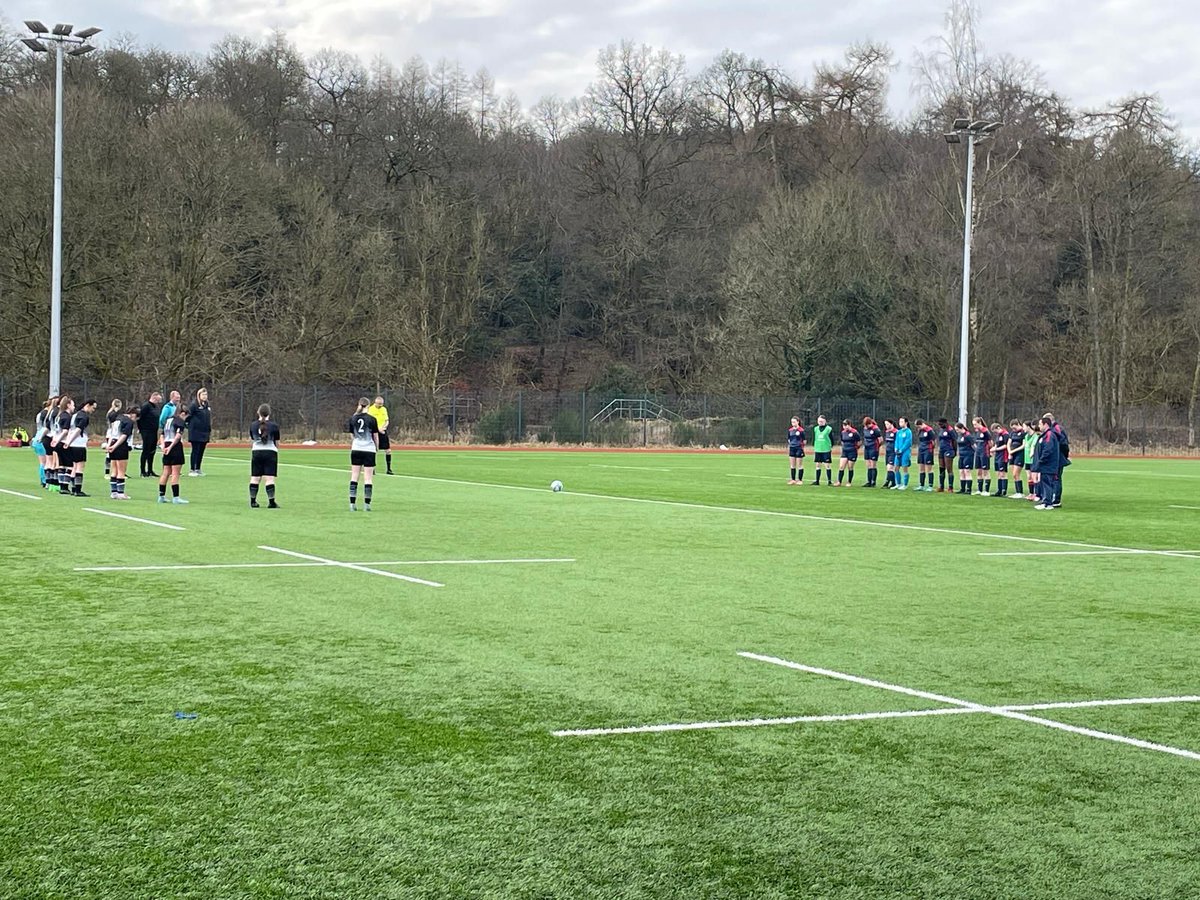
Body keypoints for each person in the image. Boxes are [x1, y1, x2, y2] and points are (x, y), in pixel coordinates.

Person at [61, 399, 97, 497]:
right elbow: (78, 430)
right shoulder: (84, 416)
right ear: (88, 405)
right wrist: (69, 441)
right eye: (93, 408)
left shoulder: (75, 415)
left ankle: (73, 488)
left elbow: (70, 429)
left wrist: (68, 441)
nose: (93, 410)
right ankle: (77, 489)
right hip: (78, 444)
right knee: (80, 467)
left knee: (74, 467)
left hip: (72, 444)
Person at [348, 397, 379, 511]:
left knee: (354, 476)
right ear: (369, 406)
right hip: (369, 450)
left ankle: (352, 504)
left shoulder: (353, 418)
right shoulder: (372, 419)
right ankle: (367, 505)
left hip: (356, 449)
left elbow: (352, 435)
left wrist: (356, 443)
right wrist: (377, 448)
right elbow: (375, 436)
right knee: (368, 478)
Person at [249, 403, 281, 509]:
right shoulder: (274, 426)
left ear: (258, 412)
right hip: (270, 452)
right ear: (269, 413)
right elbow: (277, 442)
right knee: (269, 478)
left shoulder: (253, 425)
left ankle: (253, 501)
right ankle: (271, 502)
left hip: (256, 452)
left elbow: (252, 440)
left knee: (255, 478)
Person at [158, 405, 190, 504]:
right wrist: (171, 447)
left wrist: (163, 446)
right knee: (175, 473)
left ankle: (161, 496)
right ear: (183, 413)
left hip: (166, 444)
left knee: (166, 472)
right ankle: (176, 497)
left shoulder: (168, 420)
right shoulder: (180, 421)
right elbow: (177, 436)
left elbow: (162, 435)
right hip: (174, 447)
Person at [105, 406, 136, 499]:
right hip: (120, 446)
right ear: (133, 414)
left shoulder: (118, 419)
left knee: (114, 470)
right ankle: (121, 493)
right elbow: (124, 436)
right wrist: (115, 446)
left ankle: (114, 492)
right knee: (121, 471)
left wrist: (109, 445)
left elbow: (112, 434)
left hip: (113, 443)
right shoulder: (128, 421)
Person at [1032, 416, 1060, 510]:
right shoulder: (1045, 435)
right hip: (1046, 465)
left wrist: (1041, 460)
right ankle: (1046, 501)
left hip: (1048, 465)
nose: (1039, 426)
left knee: (1047, 483)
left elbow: (1048, 449)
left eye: (1040, 424)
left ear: (1045, 424)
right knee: (1045, 483)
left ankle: (1047, 503)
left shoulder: (1049, 435)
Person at [1044, 412, 1070, 508]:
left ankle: (1056, 500)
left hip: (1058, 458)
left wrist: (1064, 455)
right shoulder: (1053, 429)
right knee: (1054, 478)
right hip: (1056, 457)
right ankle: (1051, 498)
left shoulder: (1057, 429)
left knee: (1056, 479)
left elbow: (1064, 444)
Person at [50, 396, 75, 495]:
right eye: (73, 405)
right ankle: (64, 486)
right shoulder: (67, 416)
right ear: (68, 405)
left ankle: (61, 486)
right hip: (63, 442)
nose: (74, 407)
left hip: (57, 441)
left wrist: (55, 440)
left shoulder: (59, 415)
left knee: (61, 464)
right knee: (69, 465)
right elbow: (65, 431)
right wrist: (59, 440)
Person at [366, 395, 394, 475]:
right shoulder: (370, 409)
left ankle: (389, 469)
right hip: (374, 432)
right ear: (375, 402)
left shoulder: (384, 409)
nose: (380, 406)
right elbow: (370, 422)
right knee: (374, 450)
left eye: (381, 404)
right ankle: (372, 468)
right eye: (379, 404)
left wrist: (383, 428)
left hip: (383, 431)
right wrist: (378, 429)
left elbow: (387, 420)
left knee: (388, 450)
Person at [32, 396, 56, 489]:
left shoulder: (41, 413)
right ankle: (45, 480)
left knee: (43, 462)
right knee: (45, 462)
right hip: (41, 438)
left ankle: (43, 480)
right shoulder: (46, 413)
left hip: (37, 437)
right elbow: (46, 427)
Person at [137, 391, 162, 477]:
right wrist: (141, 429)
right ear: (154, 397)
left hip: (154, 431)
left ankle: (150, 470)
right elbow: (139, 418)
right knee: (146, 450)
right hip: (146, 431)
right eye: (158, 400)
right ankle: (143, 471)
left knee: (152, 451)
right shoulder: (146, 406)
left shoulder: (156, 407)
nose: (159, 402)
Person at [188, 388, 212, 477]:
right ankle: (192, 469)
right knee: (195, 450)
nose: (205, 396)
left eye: (206, 395)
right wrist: (191, 426)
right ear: (199, 395)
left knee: (201, 451)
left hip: (204, 432)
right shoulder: (194, 405)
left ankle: (198, 468)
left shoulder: (207, 405)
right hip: (195, 432)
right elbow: (188, 417)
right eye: (203, 395)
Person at [810, 415, 834, 486]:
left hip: (826, 449)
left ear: (825, 421)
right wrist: (814, 445)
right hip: (818, 449)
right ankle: (817, 481)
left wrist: (830, 446)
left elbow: (831, 439)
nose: (820, 422)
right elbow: (814, 438)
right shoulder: (815, 428)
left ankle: (829, 481)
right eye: (819, 421)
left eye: (821, 421)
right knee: (818, 465)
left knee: (827, 465)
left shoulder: (829, 429)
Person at [971, 416, 992, 496]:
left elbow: (990, 443)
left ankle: (986, 491)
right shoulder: (977, 431)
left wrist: (990, 451)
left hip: (984, 452)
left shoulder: (985, 431)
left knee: (985, 471)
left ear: (979, 423)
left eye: (975, 424)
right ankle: (979, 490)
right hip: (978, 453)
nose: (974, 426)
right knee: (978, 471)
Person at [836, 419, 861, 486]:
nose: (844, 427)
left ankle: (849, 482)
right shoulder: (843, 432)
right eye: (843, 425)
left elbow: (859, 442)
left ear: (849, 425)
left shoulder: (854, 432)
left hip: (852, 451)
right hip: (845, 451)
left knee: (850, 467)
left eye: (846, 425)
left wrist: (855, 448)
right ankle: (839, 482)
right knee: (841, 466)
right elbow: (842, 441)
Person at [103, 399, 123, 477]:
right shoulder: (113, 413)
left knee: (112, 453)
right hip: (112, 434)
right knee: (110, 453)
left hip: (111, 433)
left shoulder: (111, 412)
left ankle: (116, 471)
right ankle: (108, 472)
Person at [936, 418, 957, 493]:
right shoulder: (941, 430)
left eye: (941, 424)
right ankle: (941, 486)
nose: (940, 426)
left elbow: (954, 441)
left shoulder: (950, 430)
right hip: (941, 450)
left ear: (945, 423)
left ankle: (950, 487)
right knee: (941, 468)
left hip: (949, 450)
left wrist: (955, 451)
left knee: (949, 469)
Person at [861, 417, 883, 487]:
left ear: (870, 423)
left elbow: (880, 439)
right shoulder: (865, 429)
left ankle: (873, 481)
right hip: (867, 448)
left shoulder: (875, 429)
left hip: (873, 448)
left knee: (873, 465)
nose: (866, 427)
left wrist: (877, 446)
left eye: (867, 425)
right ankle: (868, 481)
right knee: (868, 465)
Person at [915, 419, 936, 491]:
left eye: (919, 426)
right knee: (921, 467)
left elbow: (934, 441)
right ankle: (921, 485)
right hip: (921, 450)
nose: (918, 428)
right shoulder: (920, 430)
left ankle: (930, 486)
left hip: (928, 450)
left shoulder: (929, 430)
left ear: (922, 424)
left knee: (929, 468)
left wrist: (931, 449)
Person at [893, 416, 913, 491]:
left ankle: (905, 484)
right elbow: (896, 441)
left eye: (902, 422)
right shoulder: (899, 432)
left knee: (905, 468)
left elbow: (908, 442)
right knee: (896, 467)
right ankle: (898, 484)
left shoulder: (908, 432)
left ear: (906, 423)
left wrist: (902, 450)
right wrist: (896, 448)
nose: (900, 423)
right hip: (898, 452)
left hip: (905, 452)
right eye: (899, 422)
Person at [1007, 419, 1026, 499]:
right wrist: (1009, 452)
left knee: (1016, 473)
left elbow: (1023, 445)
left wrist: (1013, 451)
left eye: (1014, 428)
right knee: (1014, 475)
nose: (1013, 430)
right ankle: (1017, 491)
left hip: (1019, 454)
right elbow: (1008, 443)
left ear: (1018, 424)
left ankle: (1020, 492)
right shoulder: (1012, 433)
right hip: (1012, 455)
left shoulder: (1023, 433)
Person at [1022, 422, 1040, 502]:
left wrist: (1032, 453)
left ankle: (1037, 494)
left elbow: (1033, 446)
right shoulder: (1026, 436)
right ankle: (1031, 493)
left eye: (1024, 427)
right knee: (1029, 477)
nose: (1023, 429)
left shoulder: (1035, 436)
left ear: (1028, 427)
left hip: (1032, 459)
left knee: (1034, 477)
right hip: (1027, 459)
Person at [991, 422, 1010, 497]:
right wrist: (993, 449)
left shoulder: (1005, 434)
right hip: (998, 456)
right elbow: (996, 444)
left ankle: (1004, 490)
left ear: (998, 428)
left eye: (995, 431)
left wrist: (997, 449)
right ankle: (999, 490)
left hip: (1003, 456)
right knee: (998, 473)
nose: (995, 433)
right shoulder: (998, 435)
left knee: (1003, 473)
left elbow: (1006, 445)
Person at [955, 423, 975, 494]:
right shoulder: (960, 436)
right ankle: (962, 489)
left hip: (968, 455)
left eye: (957, 429)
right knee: (961, 471)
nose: (956, 431)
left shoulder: (968, 436)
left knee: (967, 471)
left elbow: (974, 445)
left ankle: (969, 489)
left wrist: (975, 453)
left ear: (961, 428)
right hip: (961, 455)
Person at [786, 416, 805, 485]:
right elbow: (789, 439)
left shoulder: (801, 430)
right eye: (792, 422)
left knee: (799, 465)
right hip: (792, 448)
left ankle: (800, 480)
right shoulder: (790, 430)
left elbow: (804, 440)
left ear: (798, 422)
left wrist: (801, 446)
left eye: (794, 422)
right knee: (792, 465)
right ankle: (793, 479)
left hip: (799, 448)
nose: (793, 423)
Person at [882, 419, 897, 488]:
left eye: (887, 424)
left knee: (890, 467)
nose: (886, 426)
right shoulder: (887, 432)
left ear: (891, 424)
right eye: (885, 424)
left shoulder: (896, 432)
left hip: (893, 452)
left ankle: (887, 482)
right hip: (887, 452)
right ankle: (893, 483)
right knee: (889, 468)